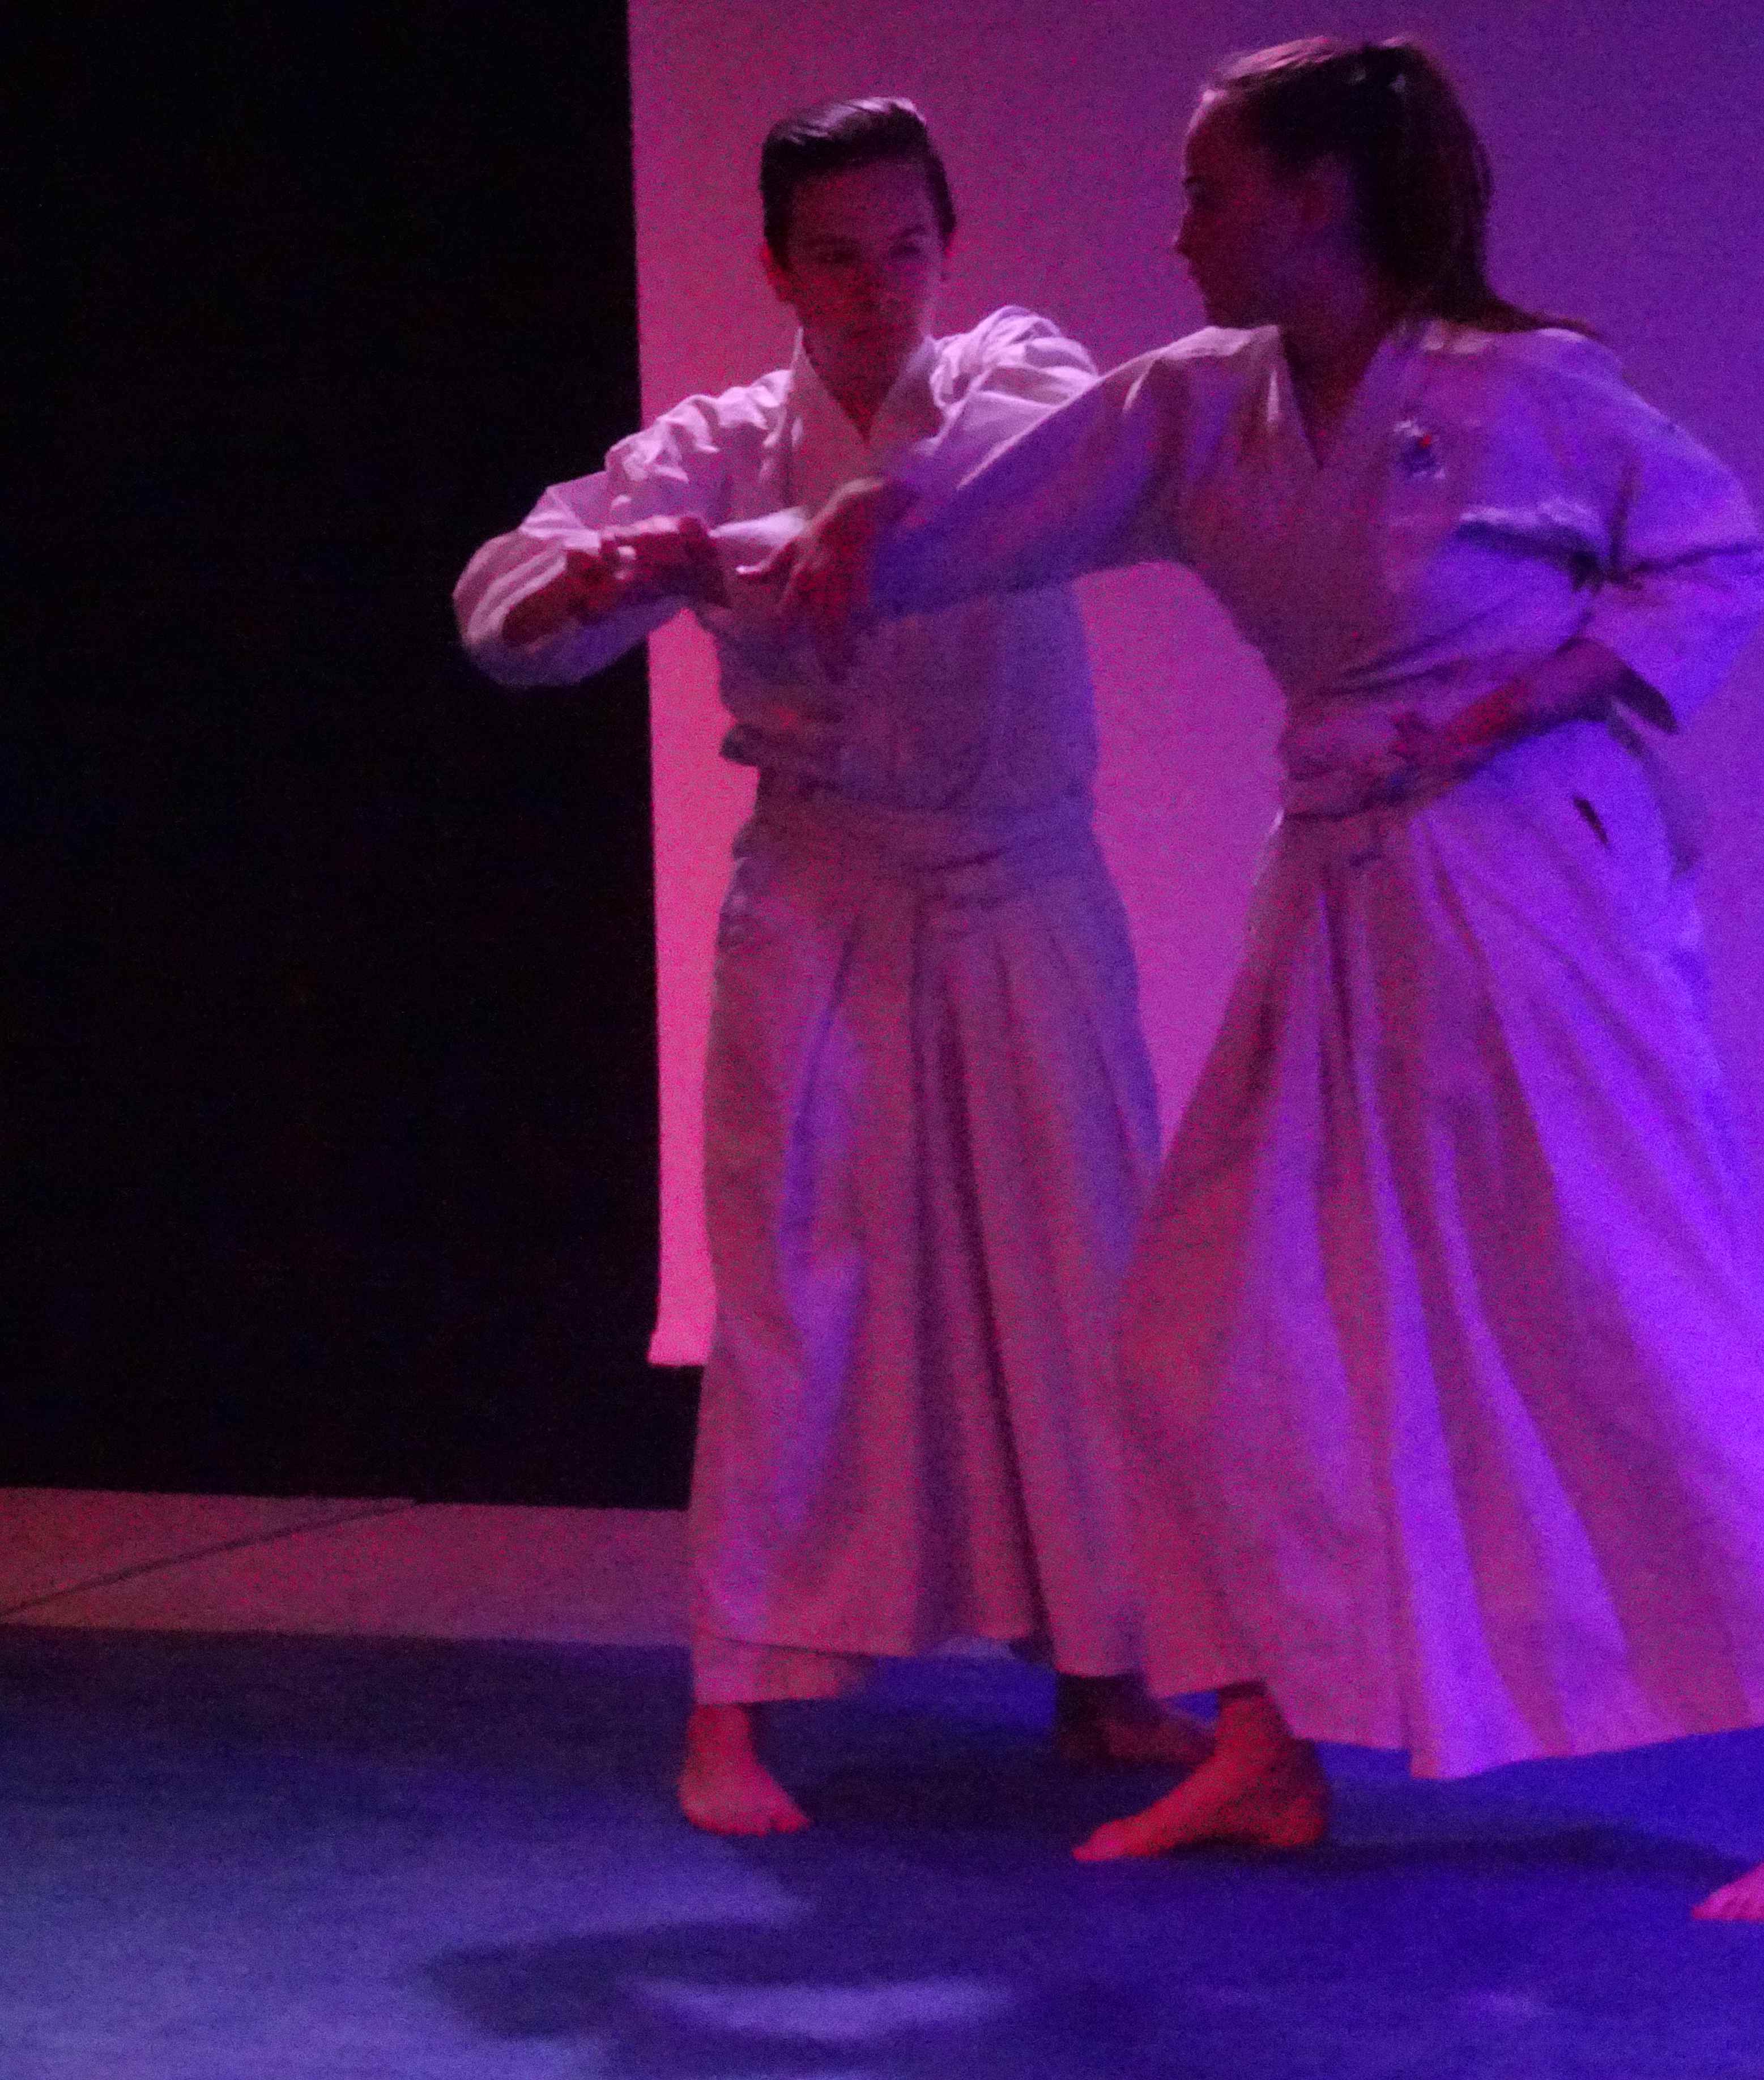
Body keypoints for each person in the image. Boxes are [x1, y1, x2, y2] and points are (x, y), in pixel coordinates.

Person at [745, 40, 1764, 1921]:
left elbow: (1714, 556)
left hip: (1532, 873)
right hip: (1341, 874)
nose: (1182, 229)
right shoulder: (1205, 405)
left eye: (1211, 191)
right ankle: (1263, 1739)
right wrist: (835, 525)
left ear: (1319, 204)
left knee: (1636, 1294)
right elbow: (987, 499)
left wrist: (1520, 696)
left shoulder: (1525, 390)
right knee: (1197, 1320)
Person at [453, 96, 1202, 1837]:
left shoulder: (1011, 369)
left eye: (907, 250)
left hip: (1023, 887)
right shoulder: (723, 441)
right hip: (825, 889)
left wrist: (858, 513)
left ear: (949, 246)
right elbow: (506, 600)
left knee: (1083, 1277)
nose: (879, 289)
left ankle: (1107, 1672)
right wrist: (592, 586)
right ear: (779, 267)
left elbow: (1037, 458)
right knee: (797, 1291)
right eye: (840, 258)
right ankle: (729, 1711)